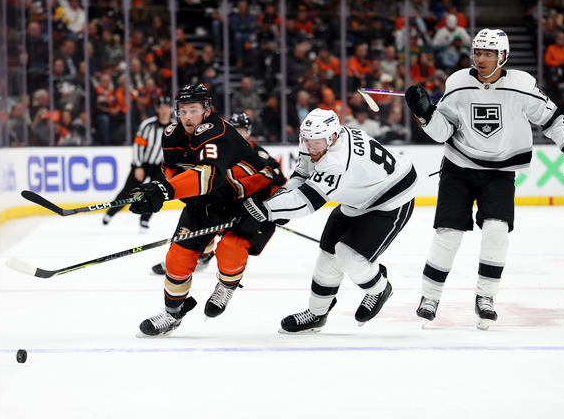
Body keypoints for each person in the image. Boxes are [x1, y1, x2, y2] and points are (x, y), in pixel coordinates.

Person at [403, 29, 564, 331]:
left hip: (500, 172)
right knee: (448, 234)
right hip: (458, 167)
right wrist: (425, 114)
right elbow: (442, 132)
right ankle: (430, 297)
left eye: (489, 54)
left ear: (503, 57)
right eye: (478, 52)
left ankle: (485, 297)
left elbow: (552, 118)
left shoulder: (522, 86)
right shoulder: (457, 83)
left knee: (496, 231)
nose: (481, 59)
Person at [240, 108, 419, 333]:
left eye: (317, 143)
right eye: (307, 141)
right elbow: (302, 175)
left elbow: (307, 202)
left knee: (350, 258)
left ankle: (379, 289)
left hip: (391, 199)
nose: (311, 147)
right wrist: (278, 202)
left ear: (333, 138)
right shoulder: (316, 139)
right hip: (359, 197)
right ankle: (316, 314)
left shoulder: (338, 159)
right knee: (327, 256)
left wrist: (266, 210)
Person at [128, 84, 282, 337]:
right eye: (183, 110)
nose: (187, 116)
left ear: (207, 110)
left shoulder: (216, 131)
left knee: (231, 250)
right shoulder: (172, 133)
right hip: (209, 200)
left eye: (194, 110)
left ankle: (226, 286)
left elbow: (209, 175)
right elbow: (172, 170)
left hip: (250, 200)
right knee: (177, 259)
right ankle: (172, 314)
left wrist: (166, 191)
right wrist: (156, 190)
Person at [149, 112, 287, 276]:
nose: (240, 133)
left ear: (249, 132)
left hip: (242, 203)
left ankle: (206, 258)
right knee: (203, 219)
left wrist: (274, 207)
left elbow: (279, 181)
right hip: (218, 201)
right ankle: (197, 256)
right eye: (236, 129)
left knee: (227, 235)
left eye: (243, 130)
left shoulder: (257, 154)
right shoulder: (217, 147)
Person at [103, 96, 173, 230]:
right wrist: (138, 166)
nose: (164, 110)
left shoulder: (175, 127)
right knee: (128, 192)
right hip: (143, 164)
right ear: (157, 109)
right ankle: (110, 213)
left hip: (160, 166)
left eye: (167, 107)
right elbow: (138, 146)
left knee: (156, 193)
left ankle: (145, 220)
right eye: (161, 107)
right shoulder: (148, 125)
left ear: (171, 110)